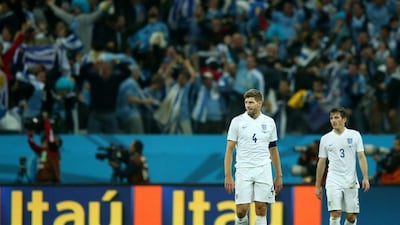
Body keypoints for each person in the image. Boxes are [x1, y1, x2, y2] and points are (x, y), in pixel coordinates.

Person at [224, 88, 283, 225]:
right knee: (241, 210)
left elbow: (273, 150)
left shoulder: (269, 122)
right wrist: (228, 175)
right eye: (246, 102)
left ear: (260, 103)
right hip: (244, 169)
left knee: (261, 208)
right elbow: (229, 150)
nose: (248, 105)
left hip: (263, 169)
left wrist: (279, 175)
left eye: (251, 102)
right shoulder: (237, 122)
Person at [315, 107, 370, 225]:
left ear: (344, 119)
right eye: (331, 118)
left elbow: (361, 156)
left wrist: (365, 177)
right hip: (333, 179)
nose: (333, 121)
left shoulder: (355, 135)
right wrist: (318, 185)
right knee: (335, 213)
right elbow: (321, 162)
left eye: (336, 117)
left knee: (351, 217)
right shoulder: (325, 139)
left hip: (350, 180)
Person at [27, 114, 62, 184]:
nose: (43, 142)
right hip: (40, 181)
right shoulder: (44, 152)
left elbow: (49, 133)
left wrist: (45, 121)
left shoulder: (53, 151)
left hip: (50, 181)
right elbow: (33, 146)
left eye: (45, 141)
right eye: (43, 141)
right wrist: (30, 135)